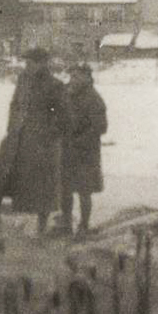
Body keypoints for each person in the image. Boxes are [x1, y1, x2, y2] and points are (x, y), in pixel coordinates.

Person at [0, 47, 69, 234]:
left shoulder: (55, 86)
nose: (27, 66)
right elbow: (14, 105)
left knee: (42, 186)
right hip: (16, 139)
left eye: (31, 63)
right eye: (26, 62)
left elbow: (64, 117)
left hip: (40, 145)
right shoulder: (23, 80)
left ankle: (41, 228)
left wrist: (47, 135)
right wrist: (11, 128)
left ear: (43, 63)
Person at [58, 63, 108, 239]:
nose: (73, 80)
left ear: (87, 78)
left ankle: (84, 226)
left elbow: (101, 127)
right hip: (66, 149)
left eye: (77, 76)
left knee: (84, 191)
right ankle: (65, 223)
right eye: (72, 76)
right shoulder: (67, 94)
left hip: (86, 153)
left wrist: (80, 140)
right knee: (65, 189)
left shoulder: (94, 99)